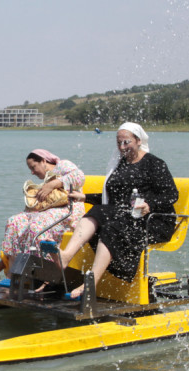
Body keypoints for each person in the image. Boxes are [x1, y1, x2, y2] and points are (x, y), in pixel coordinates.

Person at [58, 122, 178, 298]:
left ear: (138, 141)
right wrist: (86, 197)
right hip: (129, 216)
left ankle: (90, 282)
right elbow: (115, 198)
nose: (122, 147)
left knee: (113, 228)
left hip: (154, 220)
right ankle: (67, 256)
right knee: (99, 211)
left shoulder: (154, 163)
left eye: (127, 142)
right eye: (119, 143)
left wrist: (149, 204)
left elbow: (171, 194)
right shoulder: (120, 164)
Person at [0, 149, 85, 286]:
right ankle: (14, 272)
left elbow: (80, 177)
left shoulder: (62, 165)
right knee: (14, 221)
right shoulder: (45, 180)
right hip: (49, 211)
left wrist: (52, 184)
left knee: (36, 226)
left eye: (33, 167)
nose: (32, 172)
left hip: (69, 209)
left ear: (43, 161)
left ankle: (41, 275)